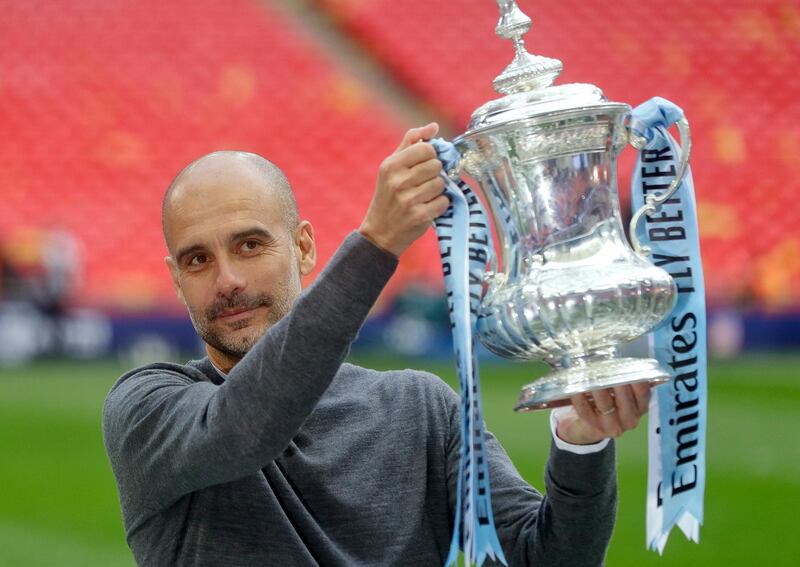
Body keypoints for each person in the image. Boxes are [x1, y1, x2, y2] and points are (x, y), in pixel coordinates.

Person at [103, 123, 650, 566]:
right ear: (176, 279)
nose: (228, 280)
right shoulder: (146, 407)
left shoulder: (420, 410)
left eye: (250, 245)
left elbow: (543, 560)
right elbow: (243, 430)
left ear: (304, 247)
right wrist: (376, 245)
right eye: (198, 260)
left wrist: (581, 444)